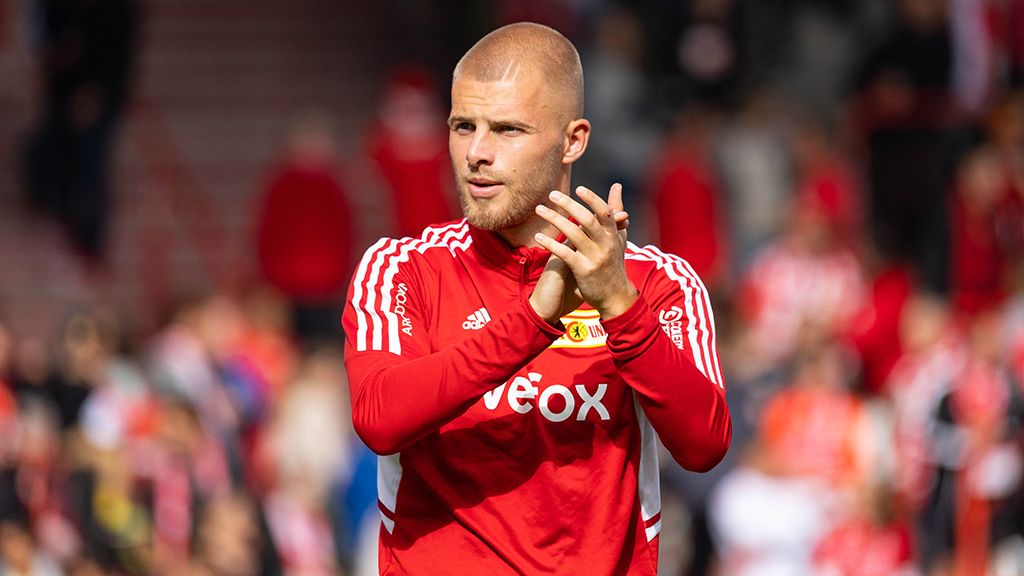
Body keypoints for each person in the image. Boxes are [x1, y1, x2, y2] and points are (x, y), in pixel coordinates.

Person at [342, 22, 731, 575]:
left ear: (573, 140)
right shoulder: (403, 268)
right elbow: (380, 418)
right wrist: (535, 319)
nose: (477, 152)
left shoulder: (658, 282)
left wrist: (619, 303)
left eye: (507, 130)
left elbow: (705, 444)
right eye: (462, 125)